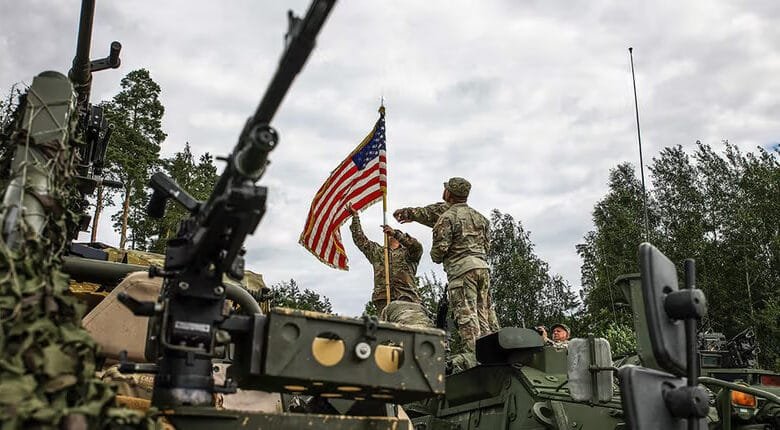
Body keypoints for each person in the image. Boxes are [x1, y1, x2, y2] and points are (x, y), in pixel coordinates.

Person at [398, 178, 499, 370]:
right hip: (483, 268)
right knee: (484, 314)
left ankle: (478, 360)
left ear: (448, 194)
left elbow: (439, 251)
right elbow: (487, 246)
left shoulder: (446, 217)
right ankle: (491, 354)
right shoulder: (481, 218)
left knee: (467, 316)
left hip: (461, 272)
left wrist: (438, 253)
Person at [348, 204, 431, 328]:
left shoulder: (408, 254)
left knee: (409, 332)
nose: (390, 235)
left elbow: (416, 247)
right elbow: (360, 240)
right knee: (387, 335)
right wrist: (355, 218)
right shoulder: (378, 252)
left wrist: (397, 234)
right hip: (383, 301)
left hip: (406, 300)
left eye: (395, 235)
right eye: (389, 234)